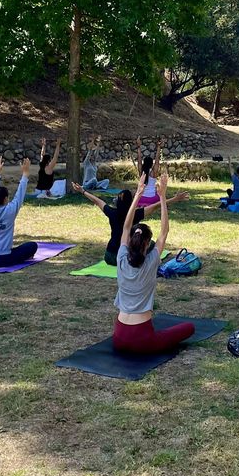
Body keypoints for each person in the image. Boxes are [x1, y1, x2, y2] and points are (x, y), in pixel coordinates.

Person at [111, 169, 195, 354]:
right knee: (188, 328)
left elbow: (126, 226)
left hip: (118, 337)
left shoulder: (121, 258)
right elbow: (164, 232)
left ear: (131, 240)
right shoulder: (151, 262)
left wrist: (139, 193)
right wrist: (163, 197)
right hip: (142, 339)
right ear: (147, 243)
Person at [72, 182, 191, 266]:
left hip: (109, 256)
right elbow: (156, 206)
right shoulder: (137, 214)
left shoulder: (112, 212)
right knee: (152, 243)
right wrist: (174, 199)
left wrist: (82, 191)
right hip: (126, 257)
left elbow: (97, 201)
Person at [0, 155, 38, 266]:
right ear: (5, 199)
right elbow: (19, 195)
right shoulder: (9, 211)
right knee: (32, 246)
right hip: (2, 259)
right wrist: (25, 174)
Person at [135, 136, 163, 207]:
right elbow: (157, 160)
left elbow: (139, 160)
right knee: (159, 194)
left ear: (144, 163)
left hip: (141, 199)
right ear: (151, 164)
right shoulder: (153, 172)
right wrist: (159, 147)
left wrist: (138, 147)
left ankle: (143, 205)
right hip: (152, 199)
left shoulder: (141, 171)